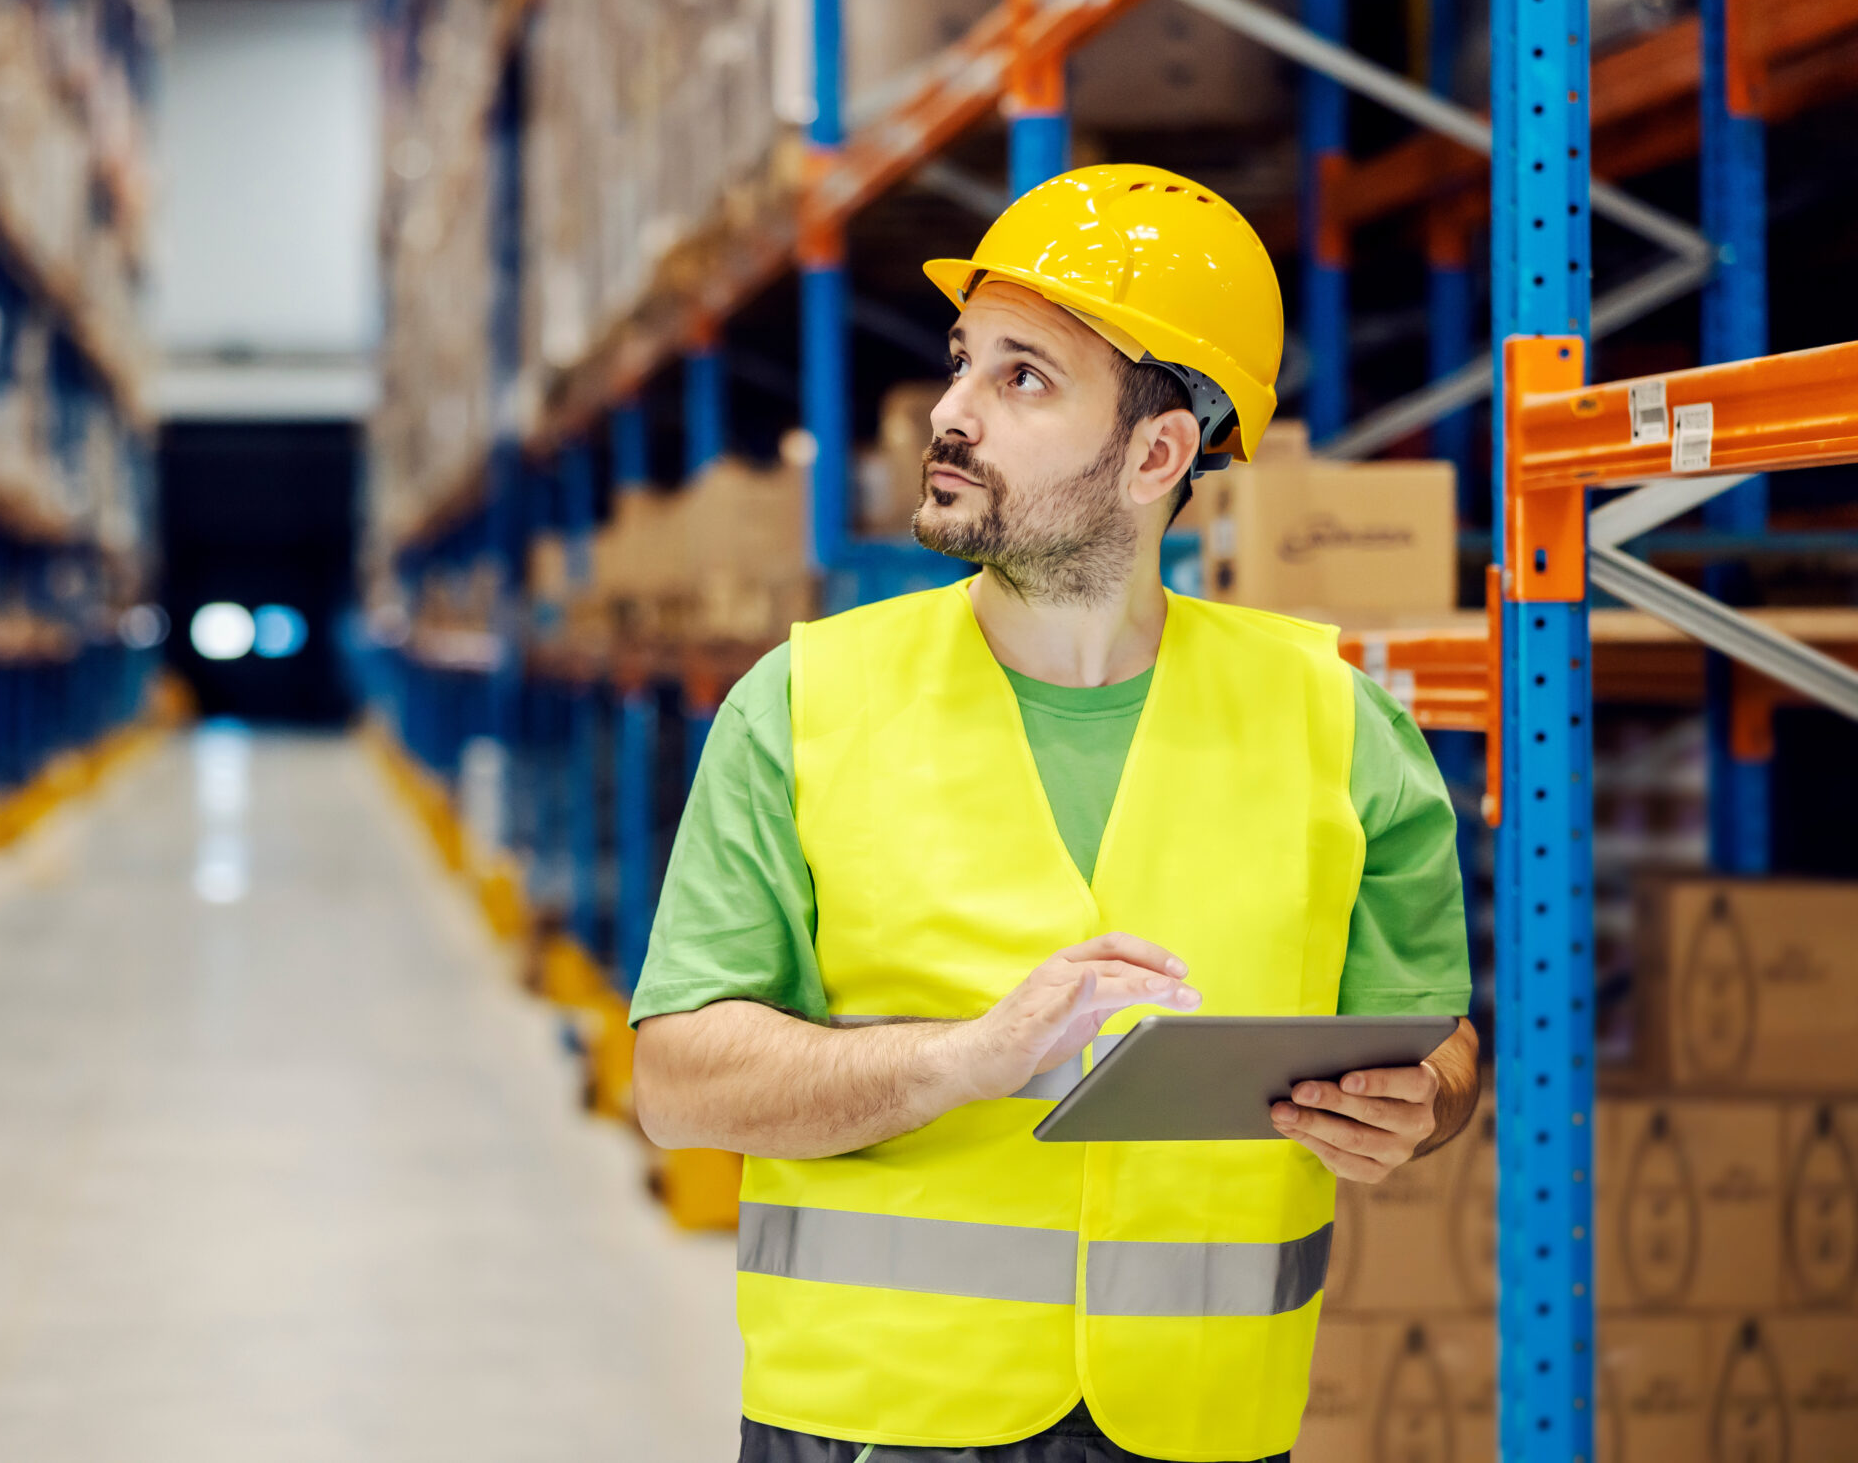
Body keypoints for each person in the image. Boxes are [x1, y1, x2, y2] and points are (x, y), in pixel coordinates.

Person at [628, 164, 1483, 1463]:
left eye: (1022, 378)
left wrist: (1418, 1104)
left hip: (1206, 1421)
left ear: (1156, 453)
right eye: (963, 361)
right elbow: (678, 1084)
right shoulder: (803, 706)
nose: (950, 412)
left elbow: (1436, 1039)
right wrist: (960, 1063)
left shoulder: (1339, 722)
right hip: (873, 1421)